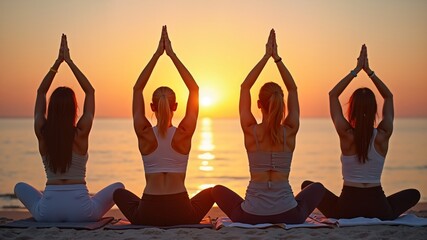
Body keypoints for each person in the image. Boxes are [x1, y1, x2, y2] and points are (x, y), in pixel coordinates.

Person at [211, 29, 325, 224]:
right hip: (290, 215)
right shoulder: (289, 131)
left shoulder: (250, 130)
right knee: (318, 188)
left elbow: (244, 87)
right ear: (282, 105)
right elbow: (293, 89)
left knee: (217, 190)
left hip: (251, 216)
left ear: (259, 105)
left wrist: (265, 57)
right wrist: (277, 59)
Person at [302, 45, 420, 220]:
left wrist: (356, 70)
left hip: (346, 209)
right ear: (374, 109)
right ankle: (382, 208)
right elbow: (389, 96)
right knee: (414, 194)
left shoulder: (346, 134)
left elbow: (333, 95)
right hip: (379, 208)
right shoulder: (383, 134)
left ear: (352, 109)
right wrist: (370, 72)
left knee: (308, 185)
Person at [14, 34, 124, 222]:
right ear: (74, 108)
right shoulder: (81, 132)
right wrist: (70, 62)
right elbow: (90, 91)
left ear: (52, 108)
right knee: (119, 186)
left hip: (47, 212)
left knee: (19, 186)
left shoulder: (42, 131)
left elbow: (41, 92)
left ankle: (51, 203)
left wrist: (57, 64)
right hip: (82, 212)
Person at [113, 26, 214, 226]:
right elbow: (194, 88)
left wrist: (157, 55)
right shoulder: (184, 132)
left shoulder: (143, 132)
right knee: (212, 192)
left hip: (149, 212)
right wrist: (172, 55)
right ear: (175, 106)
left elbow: (137, 88)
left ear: (152, 106)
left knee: (118, 193)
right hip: (182, 211)